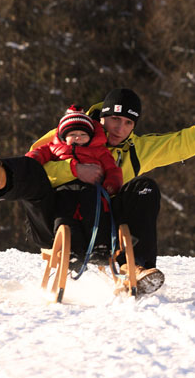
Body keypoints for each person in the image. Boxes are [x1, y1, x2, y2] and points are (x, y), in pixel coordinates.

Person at [0, 69, 195, 295]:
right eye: (113, 120)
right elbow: (35, 163)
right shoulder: (70, 132)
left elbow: (192, 140)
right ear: (101, 117)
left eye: (127, 122)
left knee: (145, 188)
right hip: (54, 217)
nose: (119, 128)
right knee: (30, 172)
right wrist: (73, 171)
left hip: (104, 226)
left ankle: (138, 267)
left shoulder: (136, 150)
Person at [25, 105, 123, 261]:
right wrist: (32, 159)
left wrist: (112, 181)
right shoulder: (55, 148)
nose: (78, 137)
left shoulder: (99, 151)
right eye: (73, 134)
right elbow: (39, 153)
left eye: (83, 134)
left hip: (91, 188)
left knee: (96, 212)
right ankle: (71, 249)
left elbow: (112, 168)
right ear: (64, 136)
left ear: (90, 136)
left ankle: (101, 247)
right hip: (64, 189)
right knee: (63, 215)